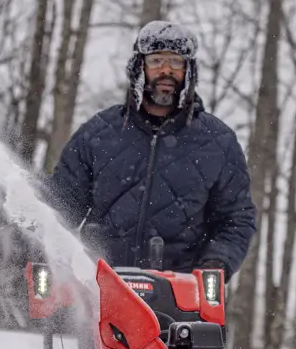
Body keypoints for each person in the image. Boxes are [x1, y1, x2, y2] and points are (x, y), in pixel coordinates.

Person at [47, 20, 256, 277]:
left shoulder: (219, 142)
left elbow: (236, 219)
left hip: (181, 293)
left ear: (188, 71)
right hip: (99, 288)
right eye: (156, 61)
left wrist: (216, 265)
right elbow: (58, 204)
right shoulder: (97, 133)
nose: (166, 70)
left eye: (176, 62)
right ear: (140, 67)